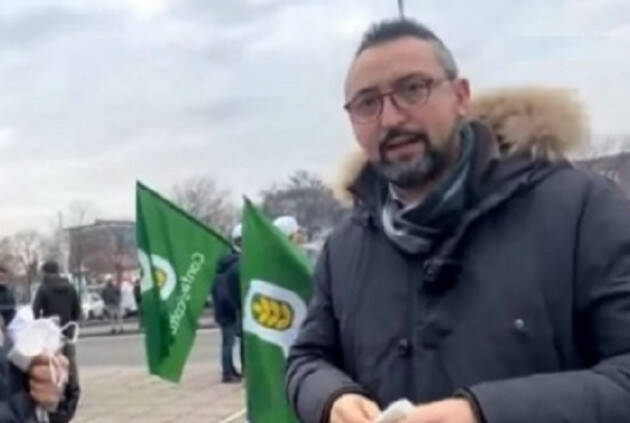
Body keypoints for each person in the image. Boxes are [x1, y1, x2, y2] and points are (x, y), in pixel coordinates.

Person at [286, 18, 630, 423]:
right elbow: (306, 358)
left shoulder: (582, 210)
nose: (391, 119)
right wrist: (330, 397)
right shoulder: (345, 247)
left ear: (461, 96)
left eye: (413, 89)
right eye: (367, 103)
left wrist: (484, 413)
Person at [32, 261, 81, 423]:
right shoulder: (70, 287)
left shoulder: (43, 288)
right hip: (67, 331)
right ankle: (72, 389)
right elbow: (77, 309)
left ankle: (56, 393)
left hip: (50, 333)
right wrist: (72, 324)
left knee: (53, 364)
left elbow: (35, 311)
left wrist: (41, 325)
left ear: (46, 272)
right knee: (69, 361)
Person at [211, 224, 243, 383]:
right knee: (229, 343)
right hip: (230, 309)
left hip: (222, 309)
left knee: (228, 342)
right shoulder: (236, 265)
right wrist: (237, 306)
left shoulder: (224, 263)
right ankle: (227, 373)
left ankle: (230, 370)